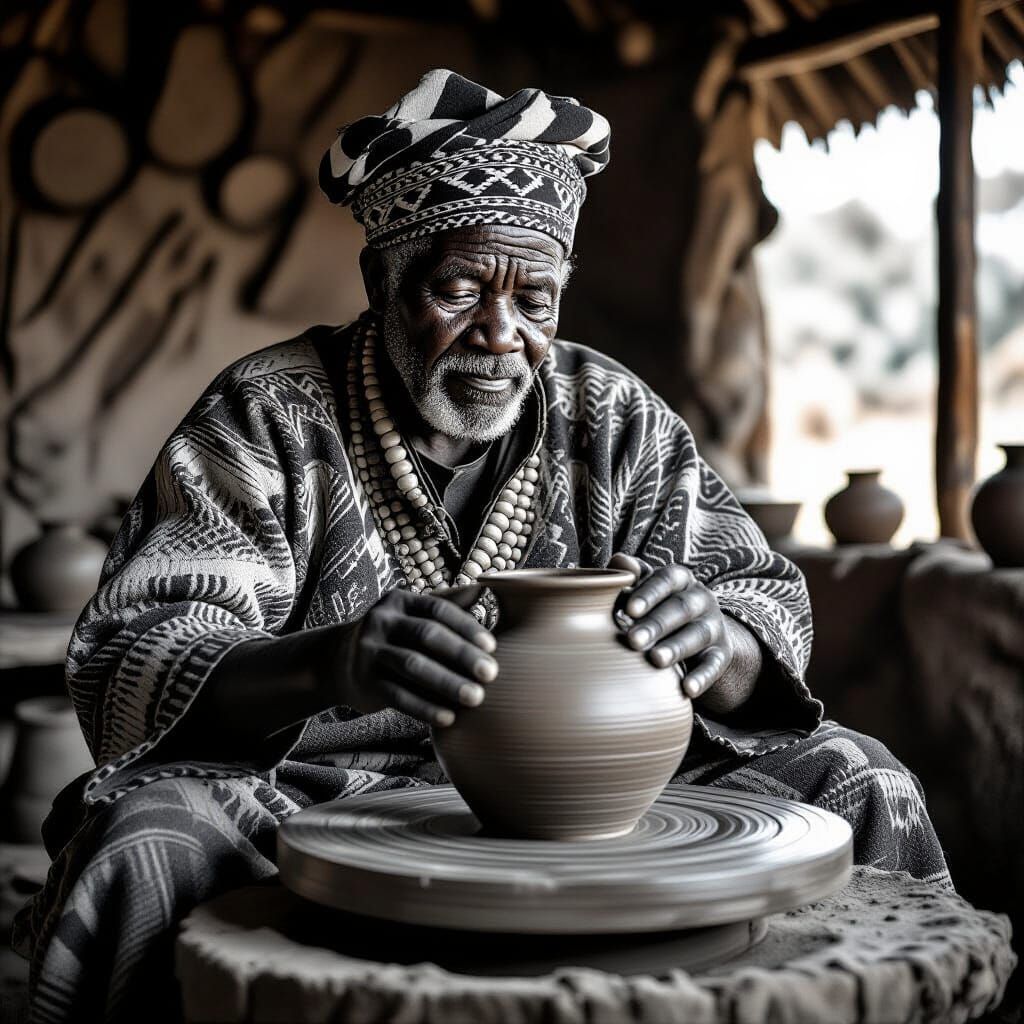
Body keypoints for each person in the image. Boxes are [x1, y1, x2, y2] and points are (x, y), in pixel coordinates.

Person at [14, 69, 950, 1022]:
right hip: (321, 803)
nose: (502, 333)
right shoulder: (269, 415)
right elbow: (134, 657)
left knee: (858, 779)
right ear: (383, 283)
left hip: (598, 803)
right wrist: (330, 663)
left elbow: (758, 596)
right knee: (145, 840)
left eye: (535, 298)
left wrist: (725, 643)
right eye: (459, 288)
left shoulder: (612, 414)